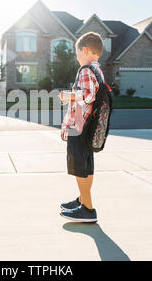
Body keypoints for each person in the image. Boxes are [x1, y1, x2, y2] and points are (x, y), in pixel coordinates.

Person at [59, 32, 105, 223]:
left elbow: (87, 95)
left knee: (78, 167)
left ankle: (87, 208)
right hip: (89, 127)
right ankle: (82, 199)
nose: (78, 59)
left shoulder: (86, 70)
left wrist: (67, 96)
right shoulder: (98, 70)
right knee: (86, 166)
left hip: (79, 126)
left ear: (85, 50)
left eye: (78, 54)